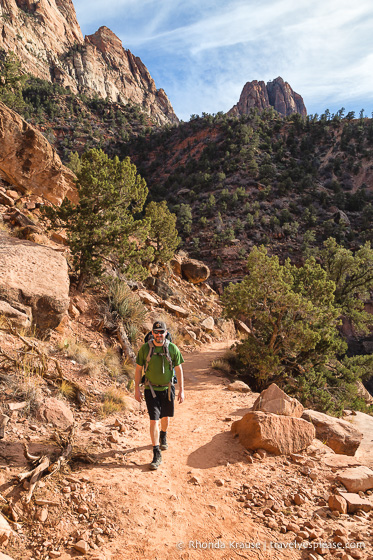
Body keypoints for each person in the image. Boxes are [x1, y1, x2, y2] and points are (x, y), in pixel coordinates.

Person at [134, 320, 185, 470]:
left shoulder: (173, 349)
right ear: (151, 333)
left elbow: (179, 369)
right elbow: (138, 370)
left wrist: (182, 389)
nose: (158, 335)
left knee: (165, 419)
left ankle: (163, 434)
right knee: (153, 420)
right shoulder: (145, 349)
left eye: (161, 332)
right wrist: (136, 388)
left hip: (167, 389)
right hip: (151, 389)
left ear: (166, 333)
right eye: (155, 332)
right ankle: (156, 452)